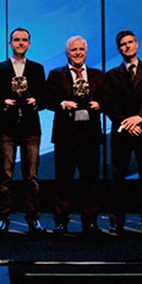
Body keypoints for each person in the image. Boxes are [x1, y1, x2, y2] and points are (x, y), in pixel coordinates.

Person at [0, 28, 48, 236]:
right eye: (16, 40)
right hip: (7, 128)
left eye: (24, 40)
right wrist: (3, 103)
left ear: (29, 44)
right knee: (5, 177)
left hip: (31, 129)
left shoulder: (37, 69)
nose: (20, 43)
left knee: (31, 178)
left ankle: (33, 219)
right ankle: (3, 219)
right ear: (10, 43)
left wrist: (36, 102)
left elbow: (45, 98)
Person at [46, 36, 108, 235]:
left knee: (90, 181)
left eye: (81, 49)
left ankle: (90, 222)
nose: (78, 53)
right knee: (63, 181)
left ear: (86, 52)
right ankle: (61, 222)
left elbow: (108, 99)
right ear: (67, 53)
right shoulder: (56, 74)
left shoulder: (98, 75)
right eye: (74, 50)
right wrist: (62, 104)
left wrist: (100, 104)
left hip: (90, 136)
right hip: (65, 136)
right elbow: (48, 100)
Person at [105, 30, 142, 234]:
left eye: (130, 42)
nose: (127, 46)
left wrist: (139, 118)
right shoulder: (112, 75)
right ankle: (116, 222)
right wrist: (127, 123)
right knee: (118, 178)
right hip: (122, 133)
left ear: (137, 44)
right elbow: (109, 105)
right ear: (118, 49)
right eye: (123, 44)